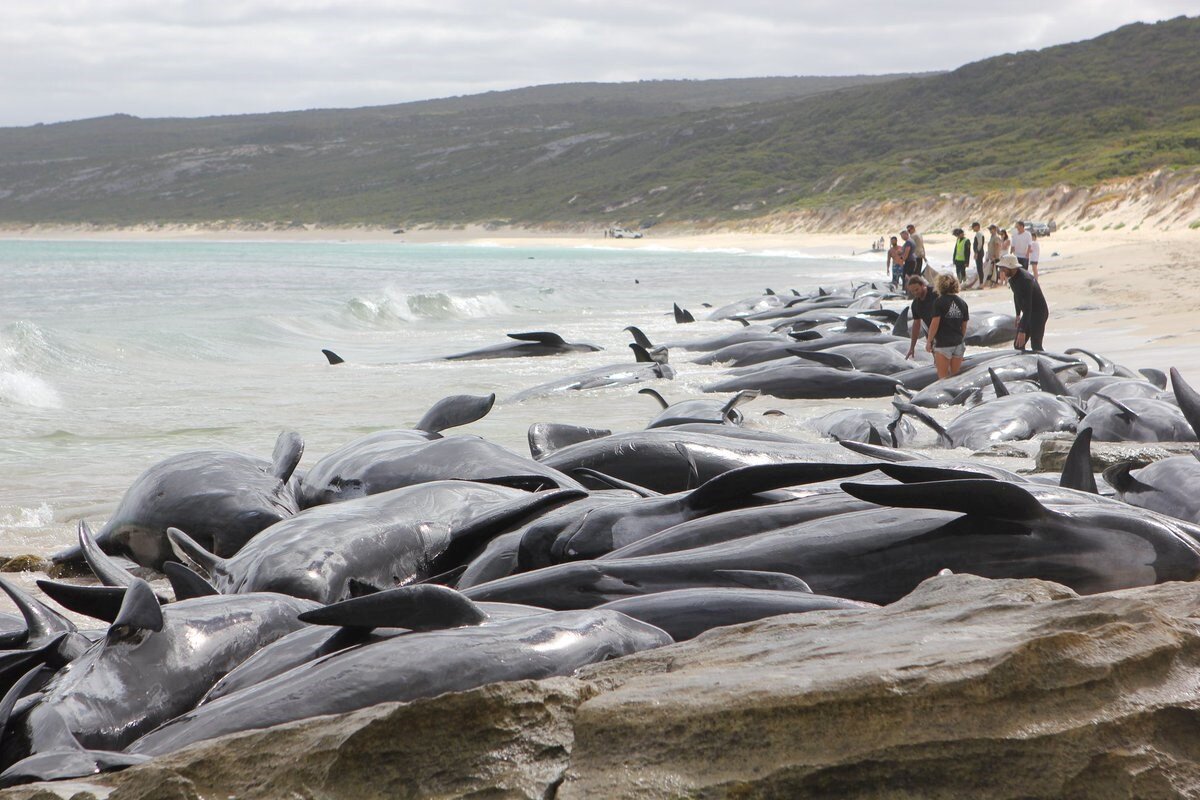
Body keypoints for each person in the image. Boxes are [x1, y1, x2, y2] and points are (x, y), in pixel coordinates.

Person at [997, 254, 1049, 352]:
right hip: (1028, 313)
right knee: (1018, 345)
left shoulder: (1025, 280)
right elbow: (1016, 296)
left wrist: (1022, 330)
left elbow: (1028, 307)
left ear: (1011, 266)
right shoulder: (1012, 278)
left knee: (1036, 346)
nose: (1001, 270)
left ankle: (1045, 364)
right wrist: (1017, 315)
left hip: (1038, 314)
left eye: (1003, 268)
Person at [926, 273, 970, 378]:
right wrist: (960, 339)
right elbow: (964, 327)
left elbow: (935, 324)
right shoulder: (963, 303)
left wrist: (929, 341)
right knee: (955, 378)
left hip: (943, 344)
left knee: (943, 378)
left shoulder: (939, 302)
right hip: (958, 344)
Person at [904, 275, 936, 360]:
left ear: (923, 285)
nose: (915, 293)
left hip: (947, 331)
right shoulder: (915, 305)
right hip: (931, 335)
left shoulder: (935, 293)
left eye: (917, 289)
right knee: (938, 362)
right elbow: (916, 325)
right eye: (912, 291)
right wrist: (912, 347)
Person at [971, 222, 986, 288]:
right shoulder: (978, 234)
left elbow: (980, 244)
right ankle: (981, 282)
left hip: (979, 253)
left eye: (973, 226)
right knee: (979, 268)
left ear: (977, 226)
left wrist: (976, 252)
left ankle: (981, 283)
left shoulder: (979, 234)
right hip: (979, 252)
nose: (972, 228)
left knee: (979, 268)